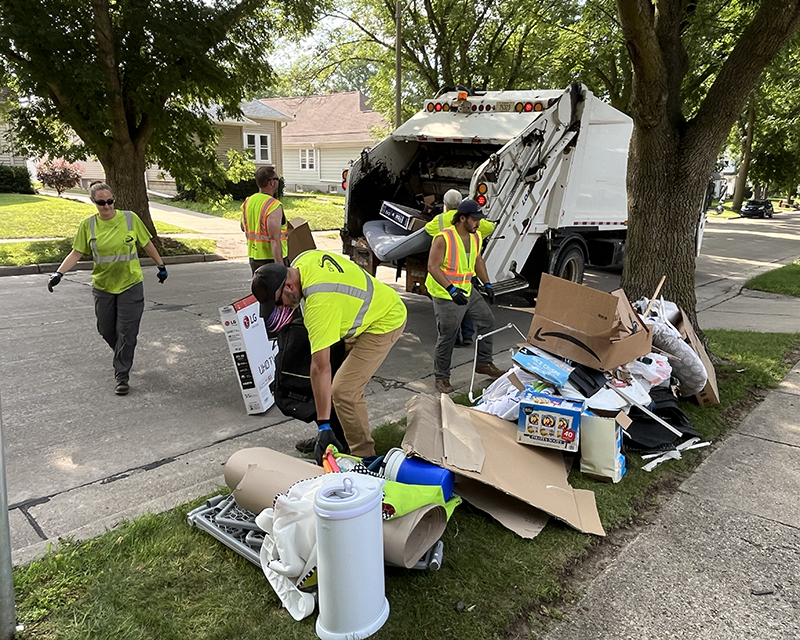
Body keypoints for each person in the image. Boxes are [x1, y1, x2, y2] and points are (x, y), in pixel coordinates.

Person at [252, 250, 407, 464]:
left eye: (279, 302)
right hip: (355, 317)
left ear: (288, 286)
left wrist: (322, 423)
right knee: (325, 384)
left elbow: (320, 367)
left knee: (343, 389)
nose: (282, 308)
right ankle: (335, 439)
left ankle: (364, 456)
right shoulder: (301, 261)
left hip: (384, 321)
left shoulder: (319, 303)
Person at [46, 182, 168, 396]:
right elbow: (76, 252)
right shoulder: (88, 225)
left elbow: (147, 243)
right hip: (103, 286)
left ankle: (122, 375)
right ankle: (123, 354)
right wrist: (59, 273)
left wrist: (160, 265)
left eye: (110, 201)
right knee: (105, 329)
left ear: (114, 199)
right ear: (94, 202)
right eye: (101, 203)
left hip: (130, 283)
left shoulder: (130, 218)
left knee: (127, 332)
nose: (107, 206)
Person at [426, 199, 504, 394]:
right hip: (446, 293)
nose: (478, 223)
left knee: (487, 320)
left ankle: (484, 363)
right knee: (448, 335)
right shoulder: (444, 238)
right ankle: (441, 377)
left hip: (467, 289)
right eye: (475, 219)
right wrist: (451, 290)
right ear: (462, 218)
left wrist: (487, 283)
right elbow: (433, 267)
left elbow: (477, 260)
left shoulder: (475, 236)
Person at [425, 189, 495, 346]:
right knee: (465, 310)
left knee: (457, 315)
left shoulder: (441, 221)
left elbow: (427, 229)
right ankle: (468, 336)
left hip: (449, 284)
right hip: (460, 281)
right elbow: (489, 228)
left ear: (445, 204)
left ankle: (455, 338)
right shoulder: (475, 229)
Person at [241, 166, 287, 272]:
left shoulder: (248, 202)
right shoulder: (273, 205)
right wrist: (281, 269)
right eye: (277, 179)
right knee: (275, 288)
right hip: (271, 259)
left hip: (254, 258)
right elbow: (274, 240)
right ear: (271, 182)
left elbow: (243, 227)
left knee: (260, 288)